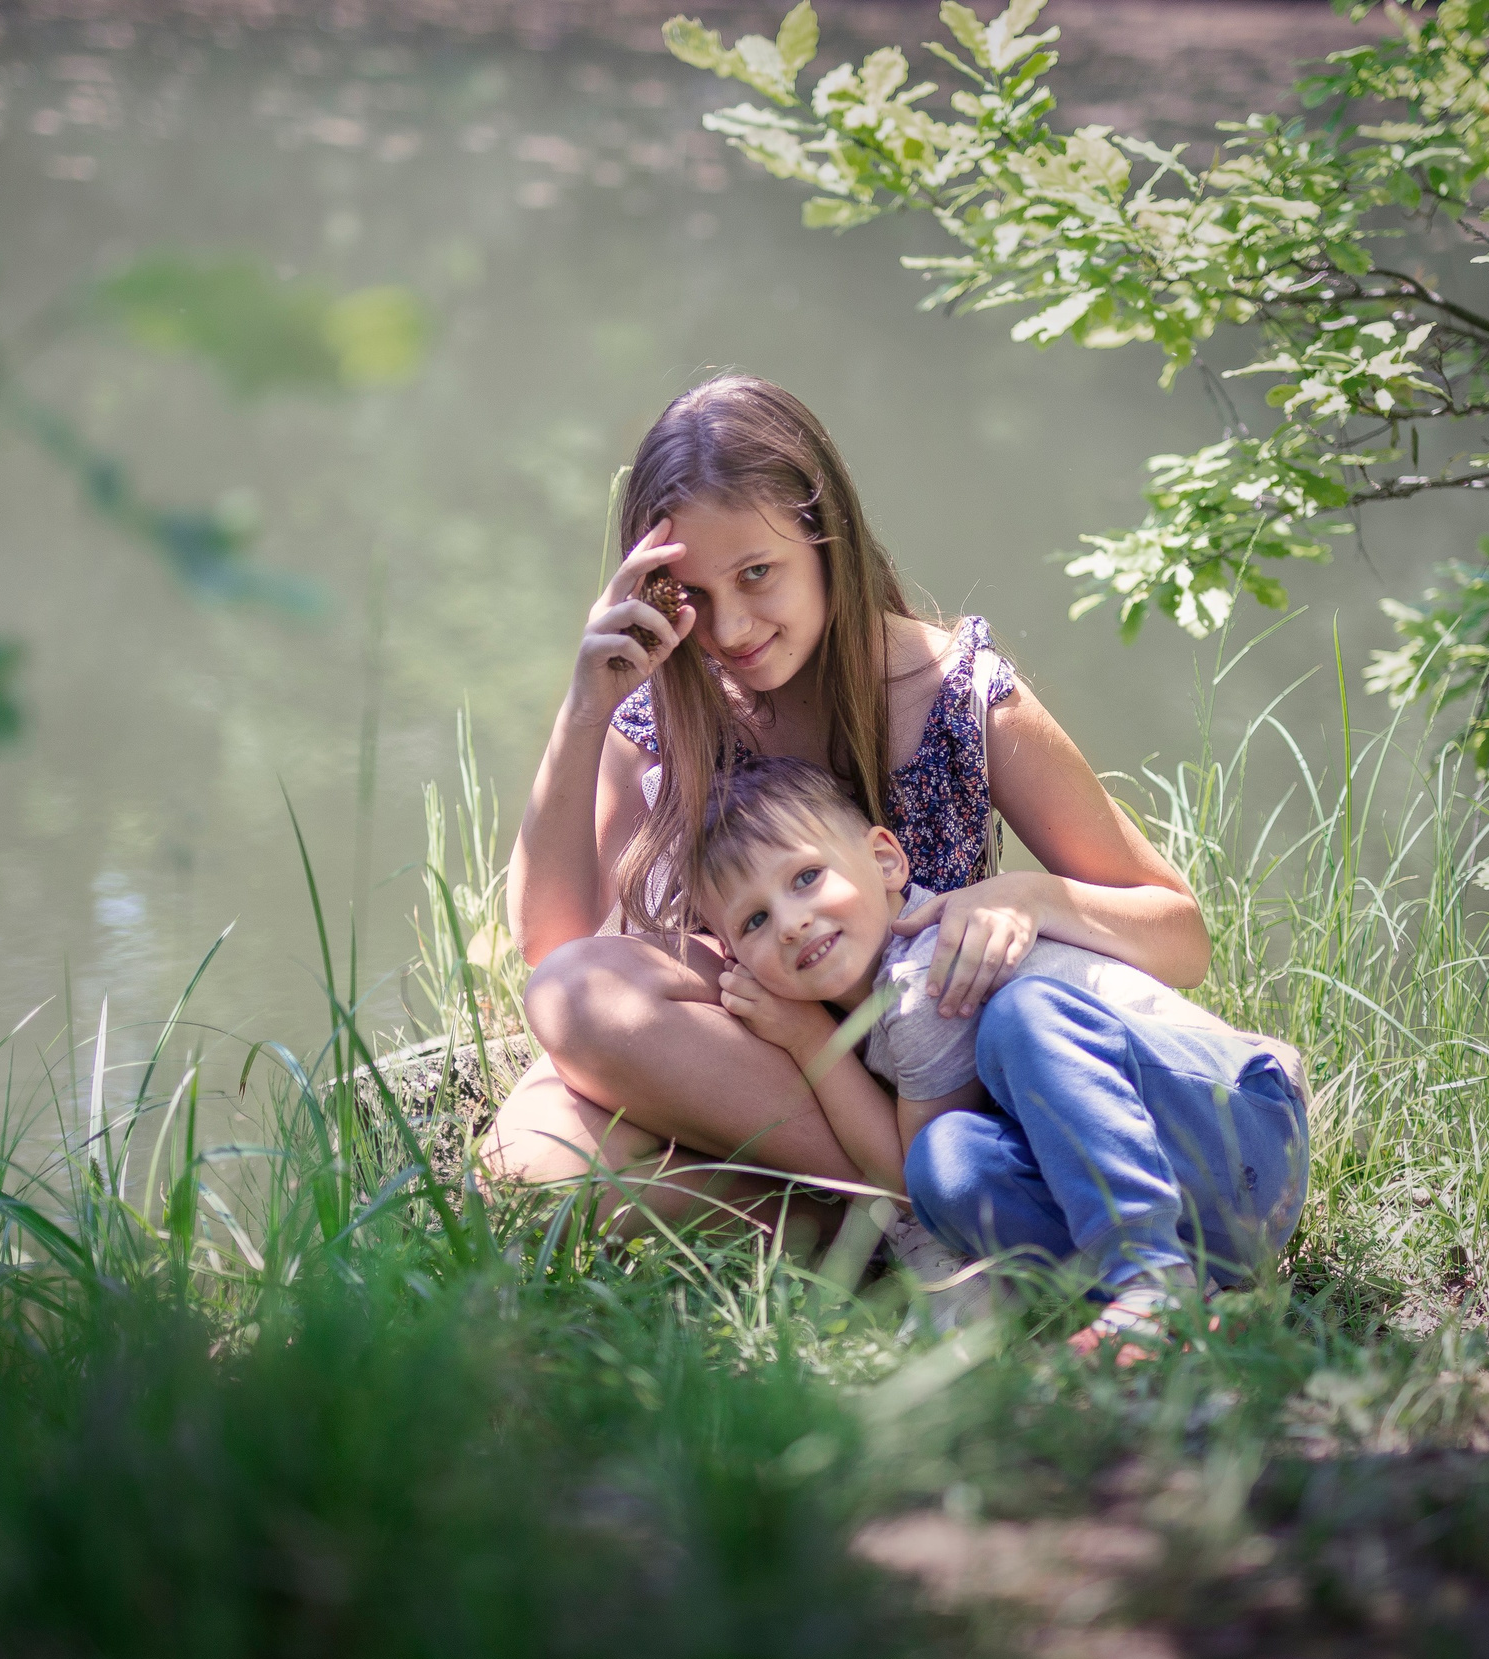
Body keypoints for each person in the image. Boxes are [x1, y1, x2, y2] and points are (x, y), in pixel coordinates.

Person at [486, 374, 1211, 1246]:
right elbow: (552, 944)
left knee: (583, 1145)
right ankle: (856, 1215)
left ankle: (907, 1194)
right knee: (523, 1166)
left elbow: (1182, 937)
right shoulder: (669, 706)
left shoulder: (958, 695)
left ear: (825, 538)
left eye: (757, 574)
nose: (731, 628)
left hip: (932, 1086)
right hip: (753, 1061)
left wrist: (1030, 897)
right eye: (695, 597)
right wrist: (585, 708)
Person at [691, 757, 1308, 1357]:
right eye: (755, 921)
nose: (791, 924)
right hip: (1212, 1219)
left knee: (1023, 1014)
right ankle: (1193, 1291)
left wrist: (808, 1040)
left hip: (1240, 1125)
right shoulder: (876, 1003)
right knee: (948, 1164)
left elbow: (894, 1182)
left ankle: (1150, 1279)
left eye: (806, 877)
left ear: (885, 860)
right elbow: (920, 1183)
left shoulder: (925, 973)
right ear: (734, 957)